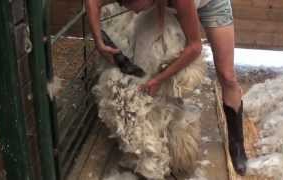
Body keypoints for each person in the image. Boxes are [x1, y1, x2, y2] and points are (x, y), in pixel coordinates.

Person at [86, 0, 247, 175]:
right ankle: (168, 139)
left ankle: (237, 145)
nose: (125, 8)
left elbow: (195, 47)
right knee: (156, 60)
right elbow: (92, 1)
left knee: (227, 76)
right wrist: (99, 42)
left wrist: (159, 79)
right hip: (166, 6)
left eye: (129, 4)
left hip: (210, 4)